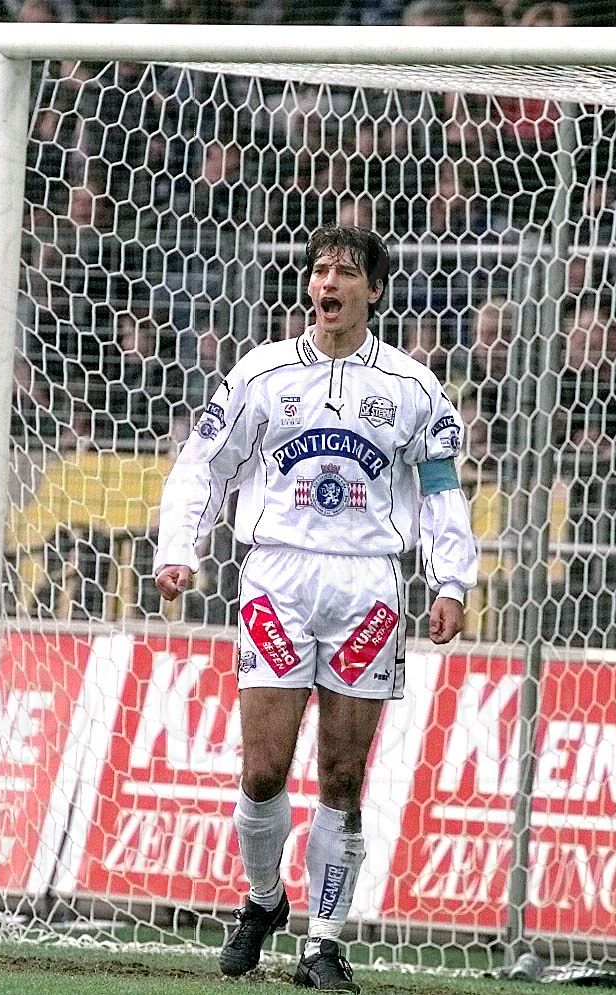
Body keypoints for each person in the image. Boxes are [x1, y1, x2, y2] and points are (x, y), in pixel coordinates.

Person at [153, 225, 478, 991]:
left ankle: (323, 942)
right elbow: (205, 464)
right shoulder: (262, 373)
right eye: (319, 270)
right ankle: (264, 898)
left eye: (345, 272)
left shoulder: (412, 387)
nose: (328, 283)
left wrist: (451, 581)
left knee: (341, 771)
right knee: (263, 767)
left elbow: (439, 488)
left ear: (374, 290)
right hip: (277, 576)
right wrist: (179, 546)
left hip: (368, 586)